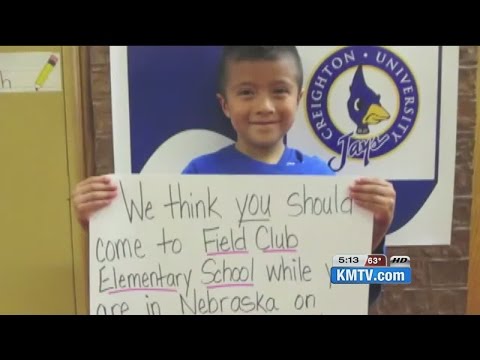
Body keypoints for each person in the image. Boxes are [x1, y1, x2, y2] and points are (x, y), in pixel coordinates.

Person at [72, 46, 396, 307]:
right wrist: (102, 227)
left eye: (280, 91)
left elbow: (362, 292)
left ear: (298, 99)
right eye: (246, 92)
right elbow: (162, 272)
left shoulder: (326, 182)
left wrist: (376, 235)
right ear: (225, 105)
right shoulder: (197, 176)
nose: (265, 106)